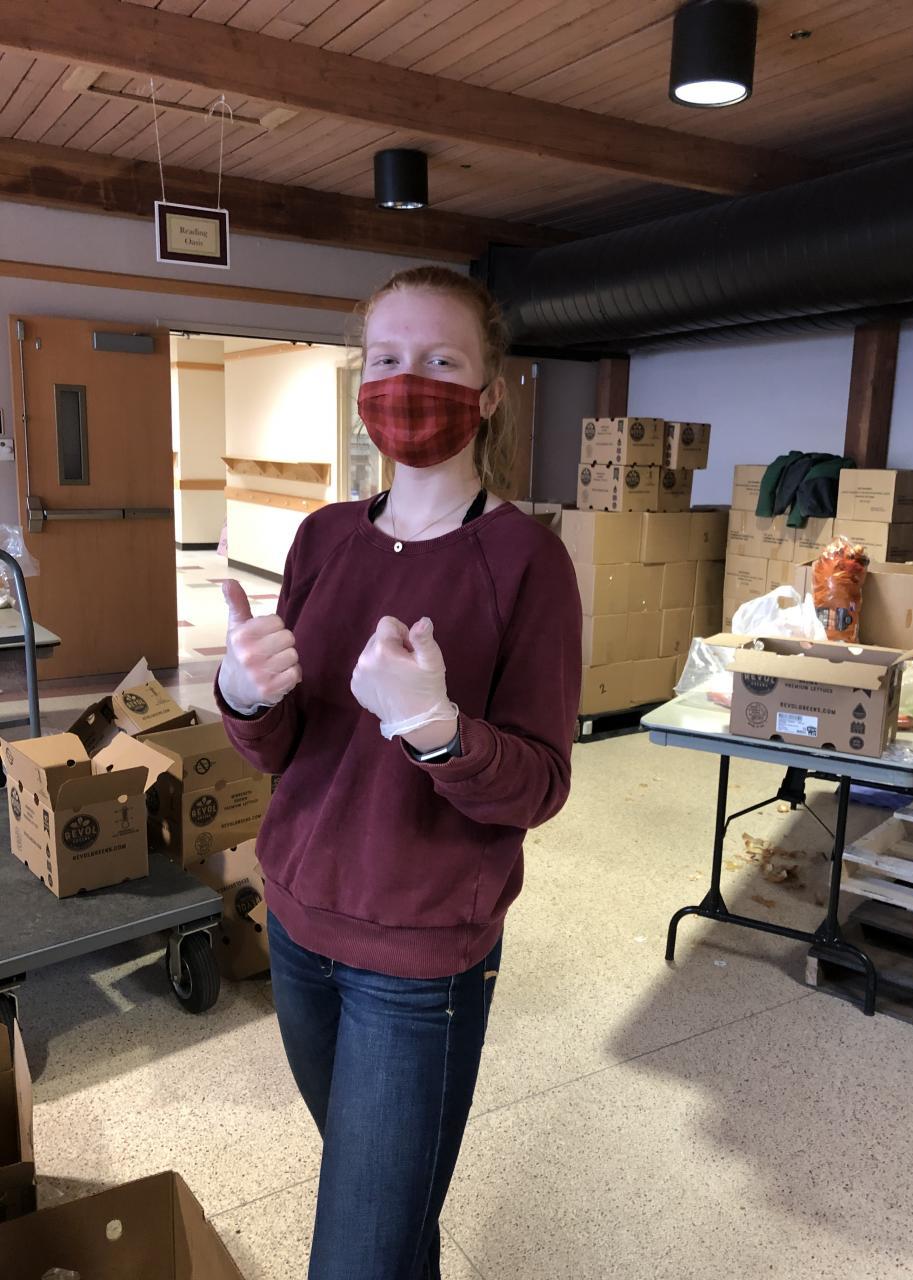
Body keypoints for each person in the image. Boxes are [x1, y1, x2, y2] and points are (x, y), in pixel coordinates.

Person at [216, 266, 582, 1280]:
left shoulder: (526, 561)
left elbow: (542, 783)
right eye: (386, 359)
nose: (407, 381)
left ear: (490, 392)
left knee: (359, 1254)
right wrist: (246, 695)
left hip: (417, 965)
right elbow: (284, 746)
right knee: (390, 1223)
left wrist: (435, 726)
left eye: (440, 361)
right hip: (295, 925)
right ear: (360, 381)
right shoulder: (324, 537)